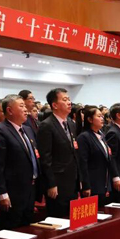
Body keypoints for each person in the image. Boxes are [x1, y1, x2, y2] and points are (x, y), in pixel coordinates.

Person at [0, 94, 40, 229]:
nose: (26, 109)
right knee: (13, 230)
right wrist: (2, 193)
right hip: (12, 192)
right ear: (10, 110)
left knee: (28, 229)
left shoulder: (27, 130)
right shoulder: (0, 131)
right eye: (21, 106)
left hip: (30, 189)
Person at [37, 88, 82, 218]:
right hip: (57, 182)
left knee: (72, 219)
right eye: (64, 99)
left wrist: (79, 179)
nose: (69, 102)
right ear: (55, 105)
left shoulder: (71, 124)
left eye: (69, 99)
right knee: (59, 219)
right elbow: (45, 158)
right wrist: (51, 183)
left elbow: (74, 152)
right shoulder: (47, 125)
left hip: (71, 181)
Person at [77, 107, 120, 208]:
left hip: (104, 183)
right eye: (99, 116)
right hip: (92, 184)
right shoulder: (84, 137)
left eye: (102, 116)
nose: (102, 119)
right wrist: (86, 185)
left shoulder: (101, 135)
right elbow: (83, 163)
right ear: (90, 119)